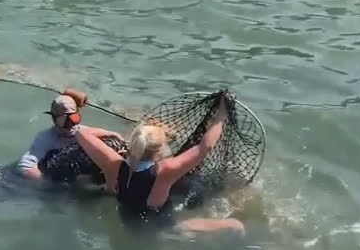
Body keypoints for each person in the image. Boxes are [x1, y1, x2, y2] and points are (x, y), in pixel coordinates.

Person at [73, 93, 245, 234]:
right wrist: (222, 113)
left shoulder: (114, 162)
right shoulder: (165, 171)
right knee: (189, 227)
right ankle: (230, 225)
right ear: (158, 150)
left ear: (133, 142)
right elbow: (205, 147)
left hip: (125, 214)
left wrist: (110, 133)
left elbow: (80, 133)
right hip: (157, 222)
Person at [16, 94, 124, 180]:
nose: (70, 124)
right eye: (63, 120)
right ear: (54, 119)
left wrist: (113, 134)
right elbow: (25, 166)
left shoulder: (84, 133)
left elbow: (112, 140)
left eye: (74, 118)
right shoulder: (45, 137)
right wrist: (49, 184)